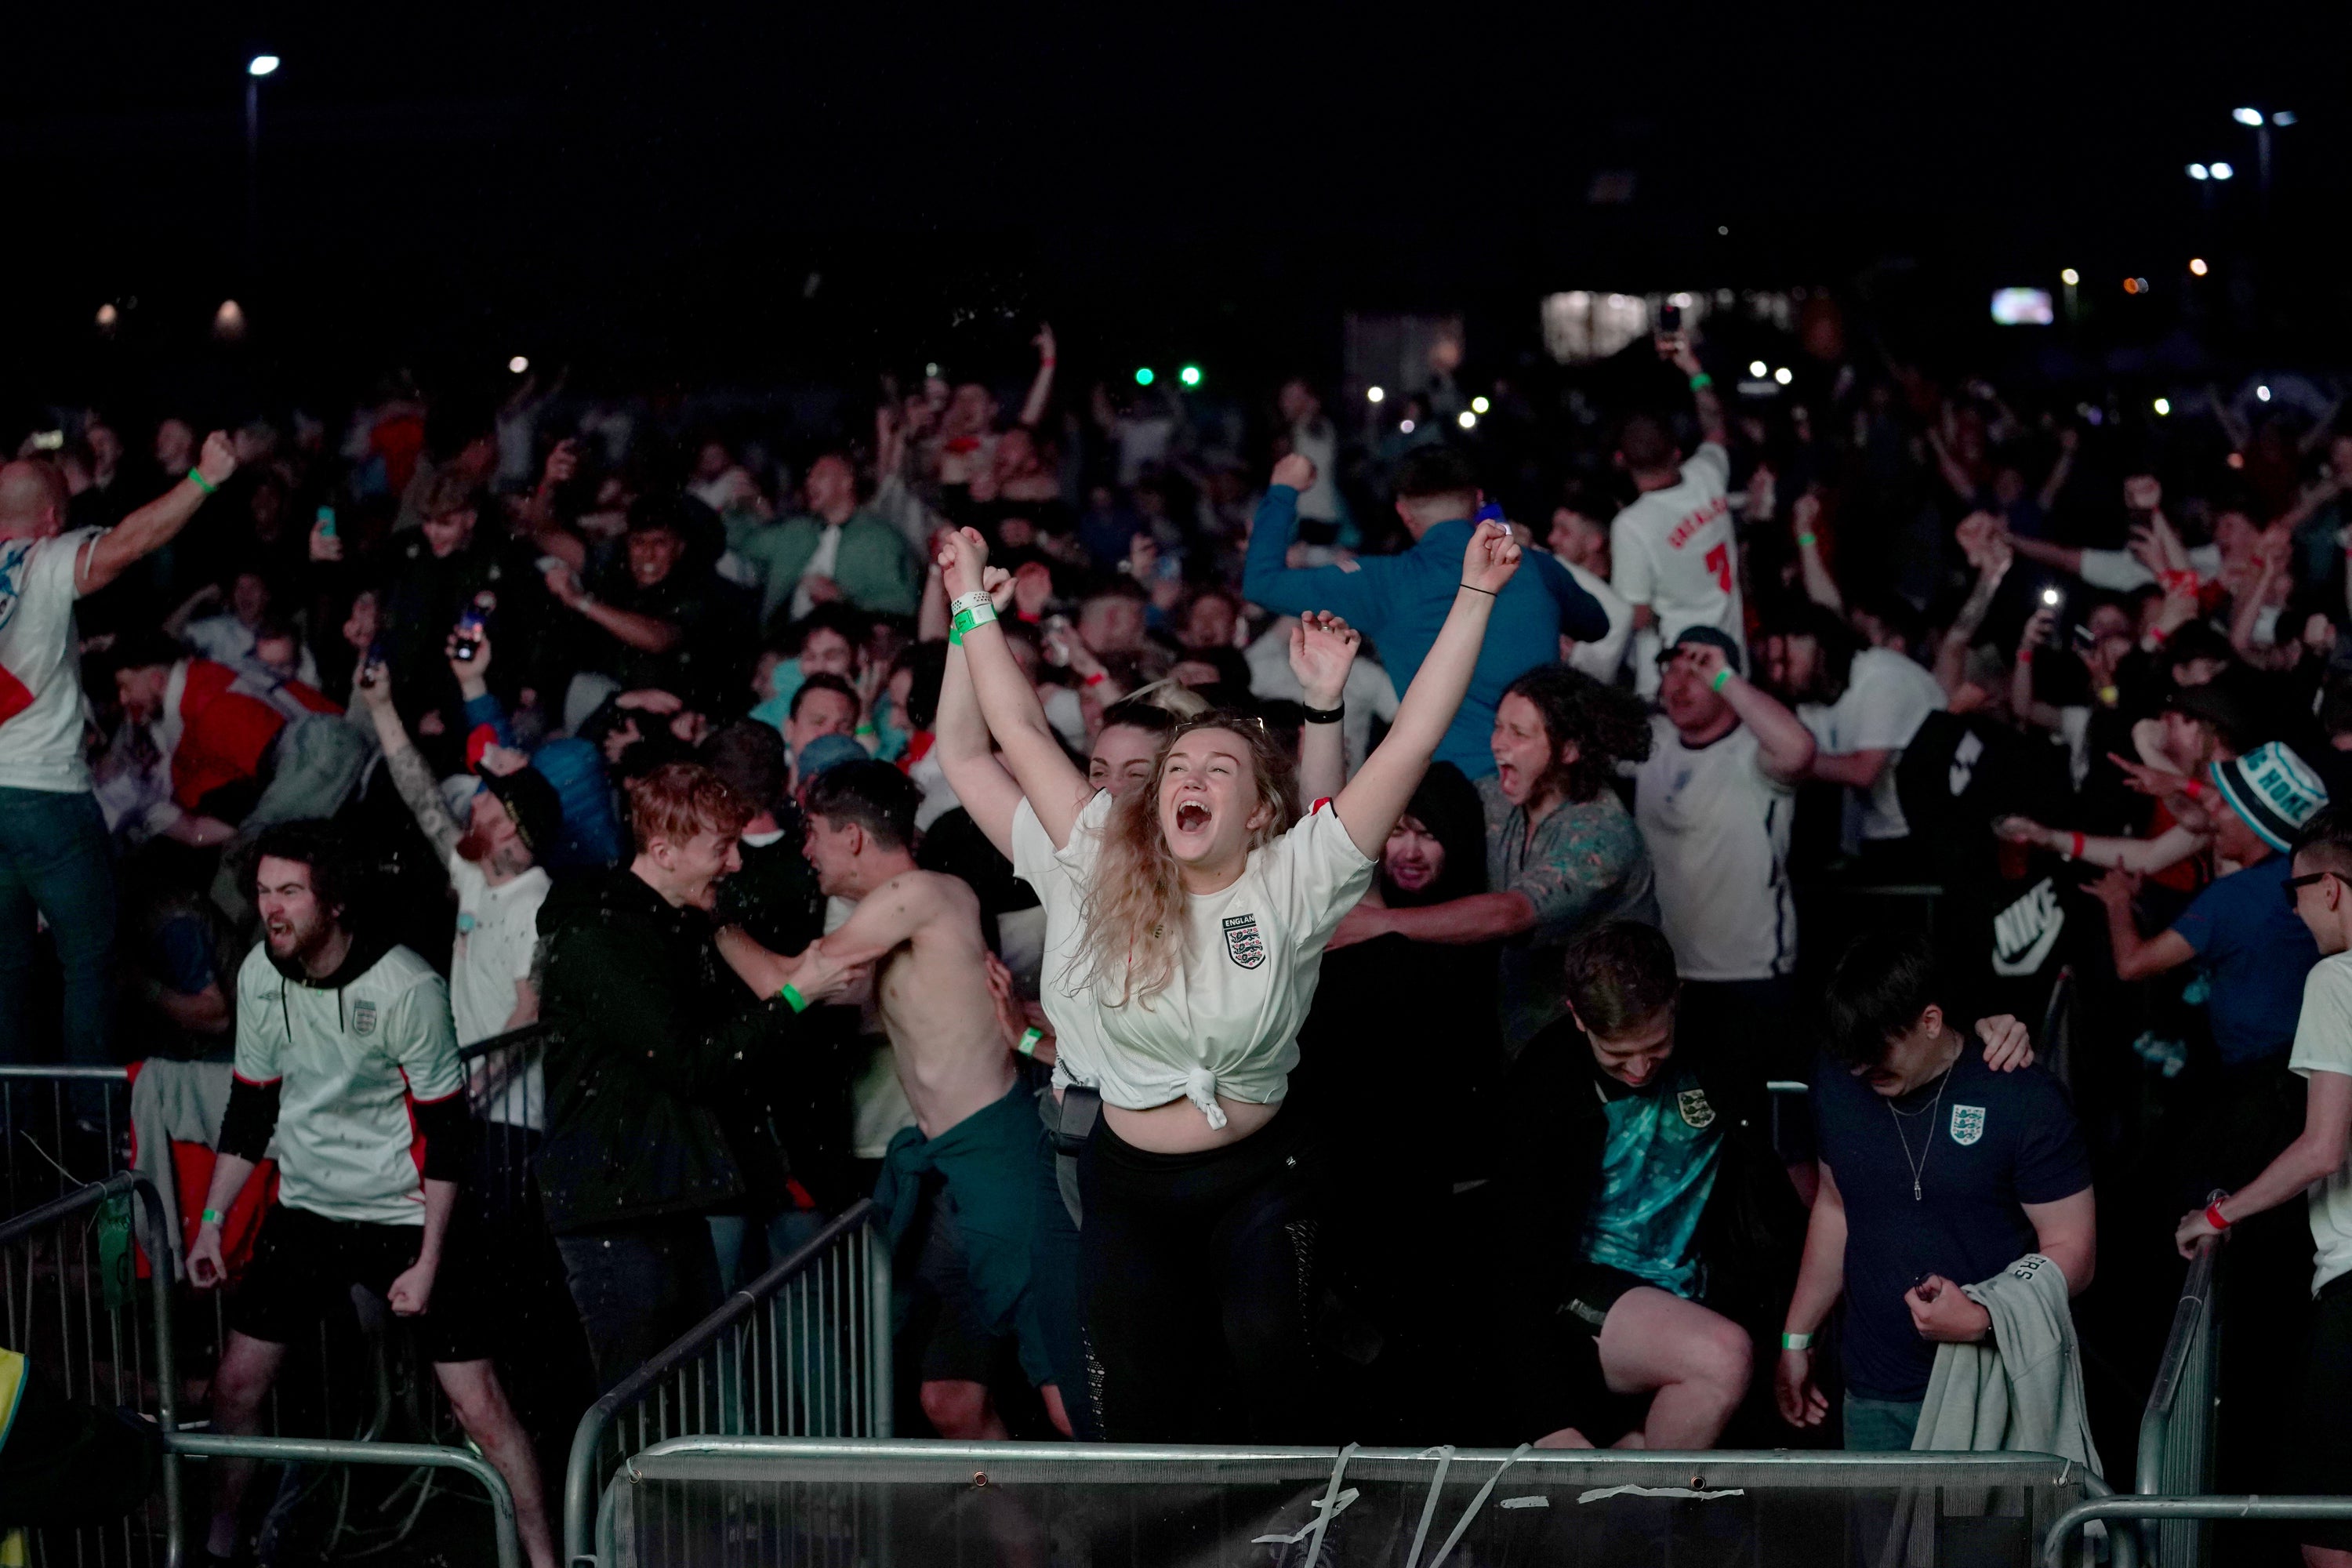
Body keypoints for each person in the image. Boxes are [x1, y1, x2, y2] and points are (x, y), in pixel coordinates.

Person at [934, 516, 1520, 1441]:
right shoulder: (1096, 853)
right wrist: (968, 593)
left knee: (1272, 1370)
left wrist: (1477, 595)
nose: (1189, 777)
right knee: (1132, 1406)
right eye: (1178, 768)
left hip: (1259, 1174)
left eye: (1219, 766)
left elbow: (1412, 738)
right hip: (1125, 1182)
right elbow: (1007, 723)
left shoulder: (1296, 873)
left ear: (1258, 813)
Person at [184, 821, 557, 1568]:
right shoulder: (260, 972)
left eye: (289, 891)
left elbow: (449, 1136)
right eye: (262, 891)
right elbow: (251, 1108)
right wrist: (211, 1223)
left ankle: (545, 1557)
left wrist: (426, 1260)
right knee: (235, 1385)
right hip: (310, 1208)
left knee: (478, 1405)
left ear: (335, 902)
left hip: (408, 1213)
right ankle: (218, 1547)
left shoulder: (405, 987)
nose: (271, 909)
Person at [717, 759, 1066, 1438]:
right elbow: (834, 987)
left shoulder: (921, 892)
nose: (806, 850)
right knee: (949, 1403)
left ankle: (1139, 1535)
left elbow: (793, 981)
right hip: (947, 1168)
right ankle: (1028, 1546)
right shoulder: (903, 910)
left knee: (1066, 1400)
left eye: (813, 833)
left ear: (852, 837)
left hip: (999, 1158)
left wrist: (712, 921)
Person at [532, 762, 862, 1389]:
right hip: (615, 1205)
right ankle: (609, 1494)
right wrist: (794, 999)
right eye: (721, 848)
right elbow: (690, 1064)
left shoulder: (672, 924)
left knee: (687, 1395)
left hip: (664, 1193)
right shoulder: (603, 938)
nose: (736, 863)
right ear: (662, 852)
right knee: (641, 1407)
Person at [1779, 932, 2094, 1452]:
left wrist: (1984, 1317)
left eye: (1877, 1054)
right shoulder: (1836, 1080)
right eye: (1852, 1058)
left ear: (1929, 1021)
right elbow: (1835, 1208)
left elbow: (2074, 1251)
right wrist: (1798, 1336)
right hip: (1875, 1389)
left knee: (1982, 1535)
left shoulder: (2023, 1096)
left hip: (1993, 1382)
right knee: (1881, 1537)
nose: (1862, 1071)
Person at [1496, 922, 1806, 1450]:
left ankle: (1627, 1476)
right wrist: (1548, 1420)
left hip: (1698, 1284)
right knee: (1721, 1357)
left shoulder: (1728, 1034)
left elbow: (1848, 1040)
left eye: (1655, 1048)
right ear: (1576, 1016)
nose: (1639, 1069)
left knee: (1715, 1378)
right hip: (1583, 1291)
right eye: (1617, 1056)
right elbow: (1514, 1263)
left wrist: (1984, 1029)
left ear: (1677, 999)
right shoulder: (1543, 1082)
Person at [0, 431, 237, 1080]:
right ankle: (92, 1132)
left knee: (9, 970)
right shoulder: (45, 559)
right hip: (45, 796)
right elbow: (130, 542)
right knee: (91, 961)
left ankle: (17, 1141)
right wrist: (205, 479)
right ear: (53, 519)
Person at [2174, 808, 2352, 1568]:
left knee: (2325, 1532)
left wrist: (2219, 1209)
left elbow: (2321, 1146)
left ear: (2335, 888)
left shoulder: (2337, 978)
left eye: (2297, 890)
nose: (2294, 908)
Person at [1332, 663, 1656, 1054]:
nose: (1498, 744)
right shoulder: (1495, 799)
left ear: (1570, 749)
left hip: (1610, 1041)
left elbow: (1511, 913)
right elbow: (1429, 817)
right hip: (1521, 1036)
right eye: (1498, 727)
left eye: (1518, 733)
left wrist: (1378, 924)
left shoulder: (1602, 834)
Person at [1241, 448, 1608, 778]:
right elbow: (1596, 623)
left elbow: (1261, 582)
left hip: (1454, 794)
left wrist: (1284, 488)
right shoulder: (1532, 566)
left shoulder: (1384, 583)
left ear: (1404, 512)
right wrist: (1538, 562)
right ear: (1478, 501)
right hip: (1548, 776)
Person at [1632, 629, 1816, 1125]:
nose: (1679, 684)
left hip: (1751, 979)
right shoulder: (1655, 741)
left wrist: (1723, 674)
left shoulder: (1755, 754)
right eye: (1672, 669)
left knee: (1772, 1139)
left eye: (1698, 673)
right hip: (1668, 980)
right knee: (1686, 1131)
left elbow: (1800, 750)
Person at [1762, 601, 1947, 870]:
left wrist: (1790, 757)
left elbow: (1863, 771)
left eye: (1785, 662)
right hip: (1876, 832)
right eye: (1772, 664)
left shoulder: (1882, 677)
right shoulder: (1810, 699)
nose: (1777, 674)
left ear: (1819, 651)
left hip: (1927, 833)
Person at [1608, 332, 1737, 696]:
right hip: (1730, 658)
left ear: (1621, 461)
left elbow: (1638, 615)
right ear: (1677, 451)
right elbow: (1714, 427)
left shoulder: (1632, 526)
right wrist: (1693, 369)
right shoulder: (1707, 475)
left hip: (1677, 676)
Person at [731, 452, 923, 625]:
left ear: (846, 482)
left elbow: (903, 605)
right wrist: (739, 507)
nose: (810, 482)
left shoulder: (880, 538)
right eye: (809, 476)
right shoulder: (795, 532)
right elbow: (742, 544)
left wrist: (842, 601)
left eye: (821, 475)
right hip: (787, 643)